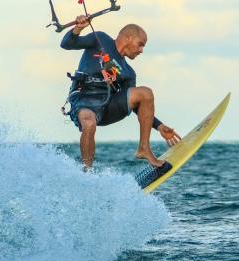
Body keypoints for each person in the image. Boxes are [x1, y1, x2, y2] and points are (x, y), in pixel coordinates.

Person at [61, 15, 181, 169]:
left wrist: (159, 126)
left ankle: (144, 148)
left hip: (108, 106)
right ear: (128, 38)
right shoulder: (101, 39)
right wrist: (78, 28)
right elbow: (66, 44)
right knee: (89, 123)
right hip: (84, 99)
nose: (141, 50)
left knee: (145, 93)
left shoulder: (128, 72)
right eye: (140, 44)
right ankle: (87, 171)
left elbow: (137, 106)